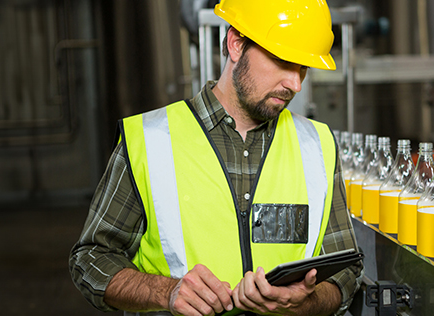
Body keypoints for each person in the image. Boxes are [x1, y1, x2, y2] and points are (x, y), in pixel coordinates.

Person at [68, 1, 361, 315]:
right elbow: (91, 259)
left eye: (303, 67)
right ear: (236, 44)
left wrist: (304, 304)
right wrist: (166, 292)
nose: (296, 84)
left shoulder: (317, 145)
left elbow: (345, 271)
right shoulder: (149, 140)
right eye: (284, 61)